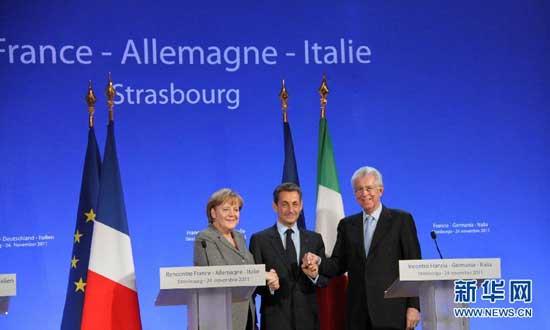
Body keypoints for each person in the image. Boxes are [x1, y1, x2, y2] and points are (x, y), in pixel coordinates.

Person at [303, 166, 422, 330]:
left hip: (392, 311)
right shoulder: (347, 225)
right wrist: (319, 261)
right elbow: (338, 264)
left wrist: (414, 306)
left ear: (380, 190)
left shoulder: (401, 220)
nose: (364, 193)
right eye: (359, 189)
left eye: (369, 188)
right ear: (355, 194)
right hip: (357, 313)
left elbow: (414, 265)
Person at [194, 188, 279, 330]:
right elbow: (220, 273)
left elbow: (249, 270)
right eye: (226, 209)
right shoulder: (205, 237)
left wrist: (269, 281)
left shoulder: (239, 237)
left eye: (236, 209)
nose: (232, 214)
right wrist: (261, 274)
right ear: (213, 213)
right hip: (220, 318)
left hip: (246, 314)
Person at [249, 182, 328, 330]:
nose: (291, 210)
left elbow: (324, 280)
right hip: (275, 320)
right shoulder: (259, 240)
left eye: (295, 204)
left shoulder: (315, 239)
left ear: (301, 205)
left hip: (308, 320)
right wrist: (269, 285)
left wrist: (315, 275)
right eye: (285, 204)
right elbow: (253, 283)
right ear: (275, 206)